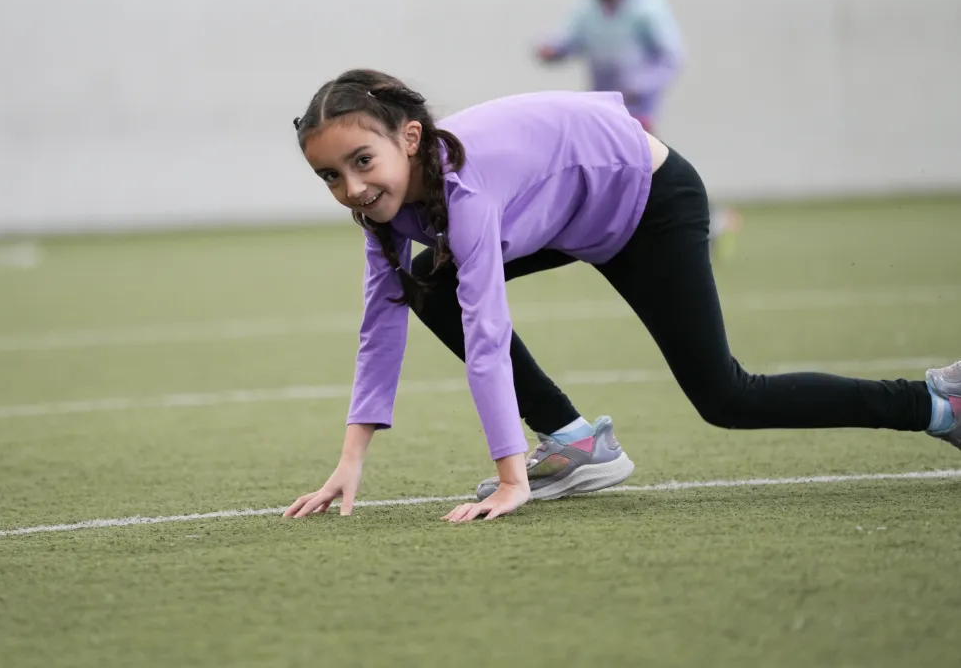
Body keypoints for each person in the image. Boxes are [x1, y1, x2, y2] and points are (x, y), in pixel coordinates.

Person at [282, 68, 959, 524]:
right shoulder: (384, 210)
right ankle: (576, 445)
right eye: (329, 177)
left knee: (727, 397)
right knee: (424, 287)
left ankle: (936, 403)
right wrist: (349, 461)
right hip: (571, 209)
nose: (352, 188)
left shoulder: (466, 189)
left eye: (361, 162)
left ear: (410, 139)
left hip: (650, 200)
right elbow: (382, 321)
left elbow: (485, 330)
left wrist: (510, 476)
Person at [535, 0, 740, 253]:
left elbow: (672, 57)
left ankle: (707, 221)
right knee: (623, 170)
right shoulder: (591, 8)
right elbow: (572, 38)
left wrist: (638, 84)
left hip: (638, 108)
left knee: (648, 172)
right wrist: (551, 49)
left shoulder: (647, 3)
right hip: (603, 106)